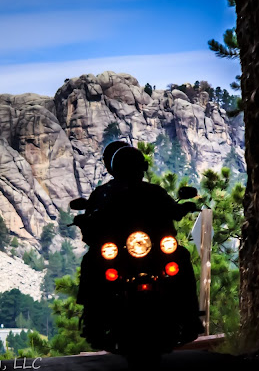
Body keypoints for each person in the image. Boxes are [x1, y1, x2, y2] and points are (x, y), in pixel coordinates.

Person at [75, 141, 202, 347]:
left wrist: (182, 208)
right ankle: (92, 320)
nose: (132, 171)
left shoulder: (154, 192)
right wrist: (86, 221)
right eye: (129, 166)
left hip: (154, 250)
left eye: (134, 166)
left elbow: (172, 209)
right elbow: (90, 228)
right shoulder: (103, 194)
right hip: (120, 252)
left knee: (180, 256)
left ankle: (189, 317)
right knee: (92, 260)